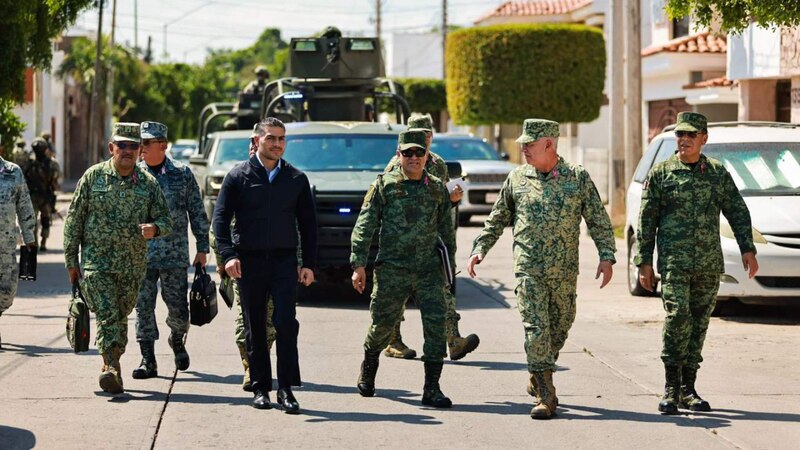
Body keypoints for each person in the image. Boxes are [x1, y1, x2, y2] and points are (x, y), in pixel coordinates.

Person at [467, 118, 616, 420]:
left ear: (549, 143)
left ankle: (538, 373)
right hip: (528, 270)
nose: (523, 149)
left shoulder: (577, 178)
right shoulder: (517, 179)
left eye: (530, 144)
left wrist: (607, 255)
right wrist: (480, 248)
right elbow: (497, 218)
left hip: (564, 271)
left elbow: (598, 219)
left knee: (560, 326)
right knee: (536, 331)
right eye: (522, 144)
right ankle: (547, 395)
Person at [634, 112, 758, 415]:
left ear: (704, 138)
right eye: (680, 134)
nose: (684, 140)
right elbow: (646, 220)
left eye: (691, 135)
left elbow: (737, 210)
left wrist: (747, 248)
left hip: (707, 263)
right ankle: (670, 389)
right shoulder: (662, 174)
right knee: (678, 319)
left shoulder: (716, 173)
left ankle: (688, 389)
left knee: (699, 325)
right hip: (675, 263)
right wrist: (643, 261)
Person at [213, 117, 317, 413]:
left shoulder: (296, 179)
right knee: (254, 326)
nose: (277, 144)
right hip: (249, 262)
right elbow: (220, 221)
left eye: (282, 139)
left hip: (284, 262)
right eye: (271, 138)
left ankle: (286, 389)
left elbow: (308, 225)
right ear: (257, 141)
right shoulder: (238, 176)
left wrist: (308, 263)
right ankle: (260, 388)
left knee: (286, 323)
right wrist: (228, 255)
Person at [64, 122, 173, 394]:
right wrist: (71, 261)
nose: (127, 151)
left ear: (139, 151)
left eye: (133, 146)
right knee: (108, 314)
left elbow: (165, 220)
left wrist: (155, 229)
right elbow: (74, 219)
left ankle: (114, 363)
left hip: (132, 266)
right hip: (96, 264)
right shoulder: (93, 177)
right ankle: (109, 366)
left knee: (121, 315)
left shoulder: (148, 184)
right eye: (121, 145)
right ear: (111, 147)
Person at [351, 130, 456, 408]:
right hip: (392, 270)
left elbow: (447, 229)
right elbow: (365, 225)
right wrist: (358, 264)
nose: (413, 158)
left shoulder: (435, 188)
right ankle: (369, 366)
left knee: (435, 327)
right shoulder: (384, 186)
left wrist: (450, 268)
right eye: (407, 153)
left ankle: (432, 388)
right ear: (399, 155)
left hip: (428, 271)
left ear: (426, 156)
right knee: (382, 326)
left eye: (418, 153)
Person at [382, 113, 479, 362]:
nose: (423, 139)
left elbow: (441, 200)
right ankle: (392, 340)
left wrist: (453, 199)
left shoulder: (438, 163)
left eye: (426, 134)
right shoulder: (397, 165)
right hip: (406, 242)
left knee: (443, 288)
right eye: (417, 133)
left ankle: (453, 340)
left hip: (439, 238)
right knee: (398, 294)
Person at [131, 121, 210, 380]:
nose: (141, 148)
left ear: (163, 145)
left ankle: (177, 339)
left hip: (174, 255)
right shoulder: (133, 174)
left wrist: (202, 246)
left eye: (147, 142)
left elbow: (197, 211)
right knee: (143, 307)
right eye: (140, 142)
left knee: (177, 307)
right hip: (141, 256)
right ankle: (147, 359)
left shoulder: (182, 174)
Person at [210, 128, 276, 392]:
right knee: (246, 316)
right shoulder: (237, 177)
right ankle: (250, 367)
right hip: (241, 260)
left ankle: (261, 361)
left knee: (269, 317)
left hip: (273, 260)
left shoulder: (276, 177)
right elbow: (219, 223)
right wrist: (223, 258)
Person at [0, 152, 36, 349]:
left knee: (7, 291)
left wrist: (29, 237)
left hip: (6, 244)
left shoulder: (13, 172)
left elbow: (24, 205)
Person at [23, 138, 58, 251]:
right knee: (43, 220)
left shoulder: (30, 162)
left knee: (40, 220)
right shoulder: (50, 163)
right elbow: (55, 180)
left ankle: (39, 243)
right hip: (39, 196)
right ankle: (41, 242)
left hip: (37, 196)